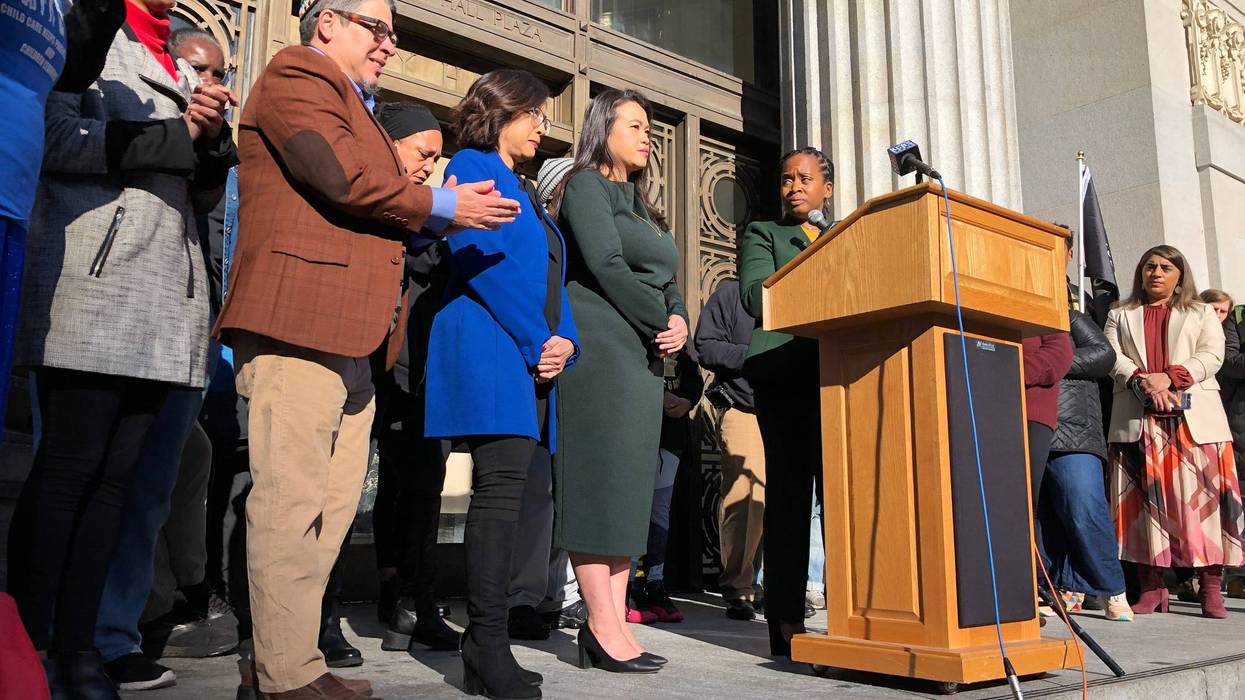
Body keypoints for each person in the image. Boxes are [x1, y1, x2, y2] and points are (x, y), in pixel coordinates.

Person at [214, 0, 521, 695]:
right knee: (290, 504)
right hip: (298, 322)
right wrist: (444, 207)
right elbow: (341, 178)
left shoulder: (359, 105)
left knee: (326, 509)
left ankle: (292, 664)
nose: (388, 44)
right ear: (327, 21)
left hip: (350, 339)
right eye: (376, 27)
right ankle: (281, 671)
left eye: (391, 32)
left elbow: (378, 205)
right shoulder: (298, 74)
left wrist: (439, 212)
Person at [7, 0, 236, 694]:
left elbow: (194, 194)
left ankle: (82, 649)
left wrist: (211, 141)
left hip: (167, 299)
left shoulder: (174, 52)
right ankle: (34, 645)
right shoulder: (86, 33)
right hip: (95, 284)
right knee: (66, 476)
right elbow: (53, 139)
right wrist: (176, 132)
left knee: (116, 487)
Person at [422, 68, 578, 700]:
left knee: (508, 498)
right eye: (534, 114)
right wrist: (536, 338)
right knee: (496, 498)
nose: (543, 126)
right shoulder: (469, 162)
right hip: (491, 347)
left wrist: (565, 338)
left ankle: (483, 643)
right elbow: (474, 262)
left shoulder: (527, 188)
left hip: (530, 353)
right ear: (503, 111)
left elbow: (550, 275)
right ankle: (486, 643)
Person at [548, 88, 686, 674]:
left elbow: (669, 277)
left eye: (649, 127)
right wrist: (662, 319)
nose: (646, 135)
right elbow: (604, 265)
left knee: (629, 491)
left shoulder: (643, 208)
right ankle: (601, 626)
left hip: (643, 358)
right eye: (635, 125)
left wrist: (678, 316)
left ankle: (617, 617)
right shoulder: (585, 185)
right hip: (603, 350)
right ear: (604, 128)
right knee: (597, 486)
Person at [1104, 245, 1243, 619]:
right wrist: (1144, 383)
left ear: (1180, 275)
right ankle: (1152, 587)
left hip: (1195, 425)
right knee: (1144, 509)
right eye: (1150, 266)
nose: (1156, 273)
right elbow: (1112, 355)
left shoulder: (1200, 312)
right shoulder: (1120, 313)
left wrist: (1171, 377)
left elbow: (1213, 355)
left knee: (1203, 509)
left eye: (1166, 267)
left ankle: (1211, 587)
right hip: (1139, 419)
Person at [370, 101, 460, 654]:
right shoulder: (375, 200)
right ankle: (381, 598)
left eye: (436, 158)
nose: (429, 166)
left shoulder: (432, 214)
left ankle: (413, 600)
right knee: (376, 482)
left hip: (420, 367)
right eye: (422, 153)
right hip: (369, 355)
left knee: (421, 483)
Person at [737, 147, 832, 658]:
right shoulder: (765, 235)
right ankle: (785, 620)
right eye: (785, 179)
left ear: (827, 190)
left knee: (843, 501)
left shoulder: (846, 233)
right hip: (787, 376)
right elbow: (757, 295)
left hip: (843, 375)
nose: (793, 186)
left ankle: (861, 611)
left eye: (804, 178)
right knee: (793, 499)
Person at [1038, 246, 1132, 621]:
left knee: (1083, 506)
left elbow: (1103, 357)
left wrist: (1048, 364)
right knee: (1039, 515)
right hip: (1030, 425)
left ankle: (1111, 589)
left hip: (1073, 430)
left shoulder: (1072, 318)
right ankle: (1052, 587)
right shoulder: (1017, 326)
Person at [694, 278, 765, 621]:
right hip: (743, 407)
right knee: (744, 498)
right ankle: (738, 587)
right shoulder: (731, 294)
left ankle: (773, 582)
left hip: (793, 407)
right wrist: (756, 354)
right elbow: (704, 346)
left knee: (784, 501)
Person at [627, 351, 703, 624]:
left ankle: (655, 583)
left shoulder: (679, 330)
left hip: (671, 433)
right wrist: (654, 395)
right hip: (635, 427)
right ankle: (626, 586)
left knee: (660, 511)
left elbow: (693, 376)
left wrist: (687, 401)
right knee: (634, 507)